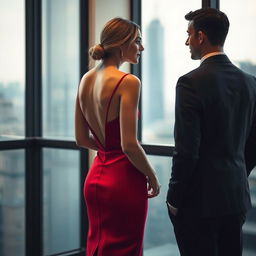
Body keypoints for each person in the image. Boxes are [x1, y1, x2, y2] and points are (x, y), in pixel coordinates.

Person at [166, 8, 256, 256]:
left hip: (198, 202)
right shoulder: (250, 82)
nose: (187, 41)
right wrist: (235, 173)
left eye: (189, 34)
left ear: (201, 37)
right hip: (235, 197)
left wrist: (174, 198)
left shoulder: (190, 82)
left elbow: (187, 151)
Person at [75, 17, 160, 256]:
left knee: (98, 245)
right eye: (137, 41)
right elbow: (129, 145)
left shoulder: (86, 79)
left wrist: (107, 150)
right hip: (124, 180)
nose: (141, 47)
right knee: (126, 249)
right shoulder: (129, 82)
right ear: (121, 45)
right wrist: (152, 175)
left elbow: (81, 139)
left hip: (95, 179)